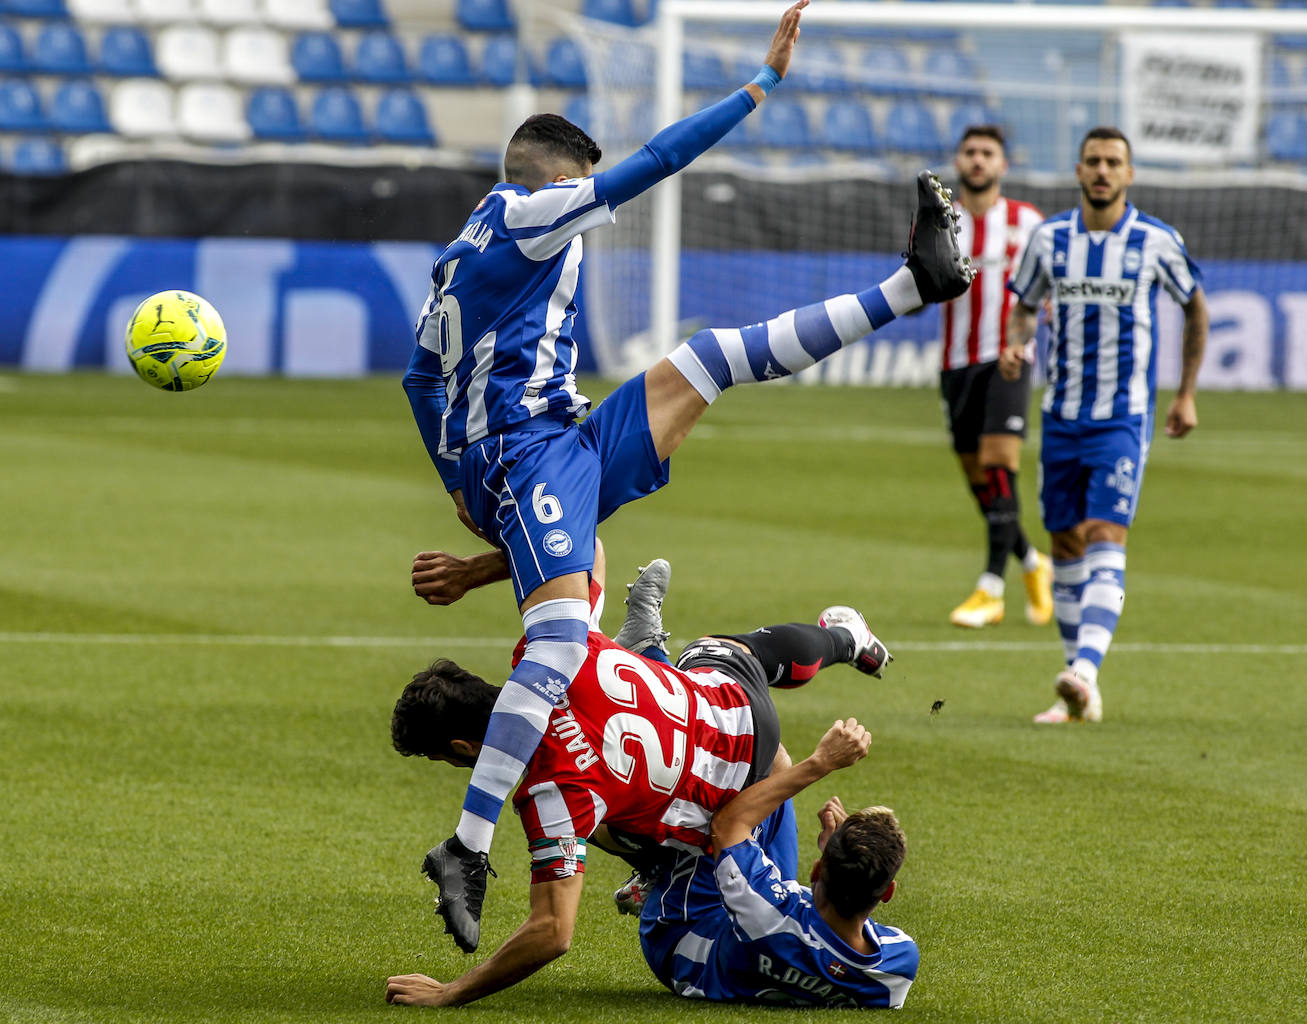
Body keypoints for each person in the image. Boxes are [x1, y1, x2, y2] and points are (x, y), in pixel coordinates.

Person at [398, 0, 973, 952]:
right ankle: (466, 842)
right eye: (584, 193)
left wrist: (457, 482)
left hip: (559, 439)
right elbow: (658, 160)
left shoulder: (457, 257)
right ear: (556, 182)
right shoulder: (537, 217)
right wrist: (763, 83)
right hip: (531, 453)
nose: (591, 211)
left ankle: (915, 283)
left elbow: (423, 378)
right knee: (554, 646)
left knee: (710, 357)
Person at [383, 568, 893, 1008]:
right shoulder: (554, 645)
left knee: (604, 817)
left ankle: (658, 867)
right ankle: (842, 640)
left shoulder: (552, 791)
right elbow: (591, 551)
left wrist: (451, 991)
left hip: (723, 826)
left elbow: (552, 934)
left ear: (465, 748)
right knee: (736, 651)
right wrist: (477, 570)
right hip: (738, 711)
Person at [999, 126, 1208, 724]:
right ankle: (1078, 688)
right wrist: (1017, 345)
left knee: (1104, 534)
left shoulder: (1155, 241)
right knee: (1064, 542)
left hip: (1122, 418)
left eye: (1113, 162)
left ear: (1129, 174)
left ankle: (1086, 669)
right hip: (1061, 415)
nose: (1102, 171)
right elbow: (1024, 309)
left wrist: (1186, 393)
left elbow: (1195, 306)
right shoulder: (1048, 240)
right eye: (1093, 160)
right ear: (1078, 169)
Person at [638, 727, 918, 1008]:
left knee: (768, 760)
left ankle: (644, 859)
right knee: (775, 791)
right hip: (765, 927)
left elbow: (727, 824)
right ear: (887, 892)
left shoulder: (769, 917)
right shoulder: (898, 966)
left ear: (817, 871)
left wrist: (822, 761)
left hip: (682, 935)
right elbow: (837, 939)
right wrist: (841, 856)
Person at [938, 125, 1053, 630]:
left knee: (1000, 462)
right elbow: (920, 287)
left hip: (1009, 357)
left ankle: (991, 587)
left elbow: (1048, 288)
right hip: (955, 363)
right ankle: (1032, 561)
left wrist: (1021, 342)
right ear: (958, 161)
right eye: (971, 153)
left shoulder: (1028, 223)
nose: (978, 161)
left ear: (1004, 165)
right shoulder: (941, 222)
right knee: (978, 478)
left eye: (988, 153)